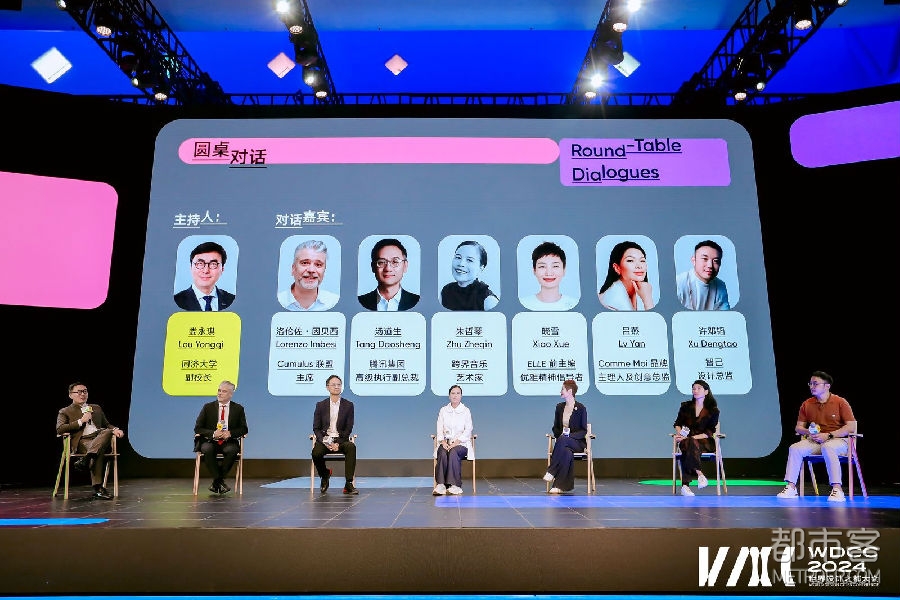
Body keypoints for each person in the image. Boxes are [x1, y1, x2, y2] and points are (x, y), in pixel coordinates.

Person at [776, 371, 856, 503]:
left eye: (815, 384)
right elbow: (798, 427)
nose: (812, 386)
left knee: (828, 447)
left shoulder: (840, 402)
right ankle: (791, 487)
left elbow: (851, 427)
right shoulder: (807, 404)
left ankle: (837, 489)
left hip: (838, 441)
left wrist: (828, 435)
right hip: (815, 441)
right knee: (795, 448)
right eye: (810, 384)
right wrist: (809, 432)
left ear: (827, 386)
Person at [55, 382, 125, 499]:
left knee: (107, 432)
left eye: (85, 391)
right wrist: (81, 421)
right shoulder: (65, 411)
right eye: (79, 392)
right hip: (82, 441)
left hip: (99, 437)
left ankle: (86, 459)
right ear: (70, 395)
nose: (82, 394)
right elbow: (60, 429)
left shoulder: (96, 408)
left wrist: (116, 429)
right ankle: (98, 488)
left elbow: (107, 425)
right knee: (98, 450)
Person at [193, 380, 249, 494]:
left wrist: (230, 433)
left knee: (232, 450)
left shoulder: (238, 409)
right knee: (207, 449)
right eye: (219, 390)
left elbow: (244, 429)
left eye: (224, 391)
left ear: (230, 394)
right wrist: (213, 433)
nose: (219, 393)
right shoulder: (208, 407)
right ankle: (219, 481)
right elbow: (198, 428)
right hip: (210, 441)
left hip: (228, 441)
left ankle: (216, 482)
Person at [312, 375, 358, 495]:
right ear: (327, 387)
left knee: (351, 447)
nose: (336, 387)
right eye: (333, 384)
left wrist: (338, 443)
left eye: (339, 384)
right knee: (316, 453)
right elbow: (316, 428)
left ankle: (348, 484)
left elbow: (348, 428)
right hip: (325, 439)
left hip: (341, 439)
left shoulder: (348, 405)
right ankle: (325, 474)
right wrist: (325, 441)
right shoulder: (320, 405)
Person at [673, 379, 720, 496]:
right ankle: (700, 474)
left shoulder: (713, 410)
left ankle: (685, 486)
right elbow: (677, 424)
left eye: (699, 388)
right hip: (686, 441)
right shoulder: (686, 406)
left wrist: (690, 438)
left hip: (704, 442)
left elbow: (709, 432)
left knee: (689, 445)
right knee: (689, 445)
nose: (695, 390)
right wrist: (680, 434)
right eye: (694, 388)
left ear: (706, 391)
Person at [542, 379, 587, 494]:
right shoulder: (559, 407)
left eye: (562, 389)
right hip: (563, 444)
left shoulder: (581, 408)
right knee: (567, 453)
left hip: (577, 443)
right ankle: (559, 486)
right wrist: (561, 435)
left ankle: (551, 471)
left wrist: (569, 436)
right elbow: (555, 428)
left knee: (563, 439)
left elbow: (583, 431)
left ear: (570, 391)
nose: (560, 391)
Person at [432, 385, 474, 496]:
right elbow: (439, 428)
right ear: (449, 396)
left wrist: (456, 442)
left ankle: (455, 485)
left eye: (458, 393)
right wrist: (443, 442)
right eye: (453, 393)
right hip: (446, 442)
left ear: (461, 396)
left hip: (461, 444)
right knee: (442, 452)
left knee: (454, 452)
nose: (455, 396)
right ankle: (441, 485)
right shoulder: (443, 410)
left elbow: (468, 429)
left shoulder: (465, 411)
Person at [357, 238, 420, 311]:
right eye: (381, 262)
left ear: (405, 266)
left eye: (395, 262)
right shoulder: (360, 302)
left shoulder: (417, 302)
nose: (388, 268)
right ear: (373, 267)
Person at [278, 239, 339, 311]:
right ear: (293, 268)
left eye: (318, 264)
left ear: (324, 270)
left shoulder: (334, 302)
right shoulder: (279, 301)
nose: (311, 270)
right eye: (305, 263)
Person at [174, 241, 235, 311]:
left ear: (222, 269)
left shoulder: (231, 300)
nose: (206, 271)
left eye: (213, 264)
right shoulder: (177, 300)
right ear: (191, 267)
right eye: (200, 264)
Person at [440, 240, 499, 311]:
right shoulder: (446, 291)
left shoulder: (488, 300)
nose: (461, 264)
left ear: (481, 268)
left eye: (469, 260)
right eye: (458, 257)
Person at [520, 241, 578, 311]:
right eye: (542, 266)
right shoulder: (525, 304)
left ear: (564, 270)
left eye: (555, 266)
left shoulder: (573, 304)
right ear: (534, 270)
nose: (549, 273)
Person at [598, 240, 655, 311]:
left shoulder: (645, 291)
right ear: (617, 268)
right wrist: (648, 300)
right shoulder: (609, 301)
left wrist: (647, 298)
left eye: (642, 261)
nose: (639, 266)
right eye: (630, 260)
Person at [675, 239, 730, 310]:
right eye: (705, 259)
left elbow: (725, 315)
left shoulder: (721, 286)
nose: (710, 265)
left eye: (715, 261)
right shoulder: (679, 283)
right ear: (694, 261)